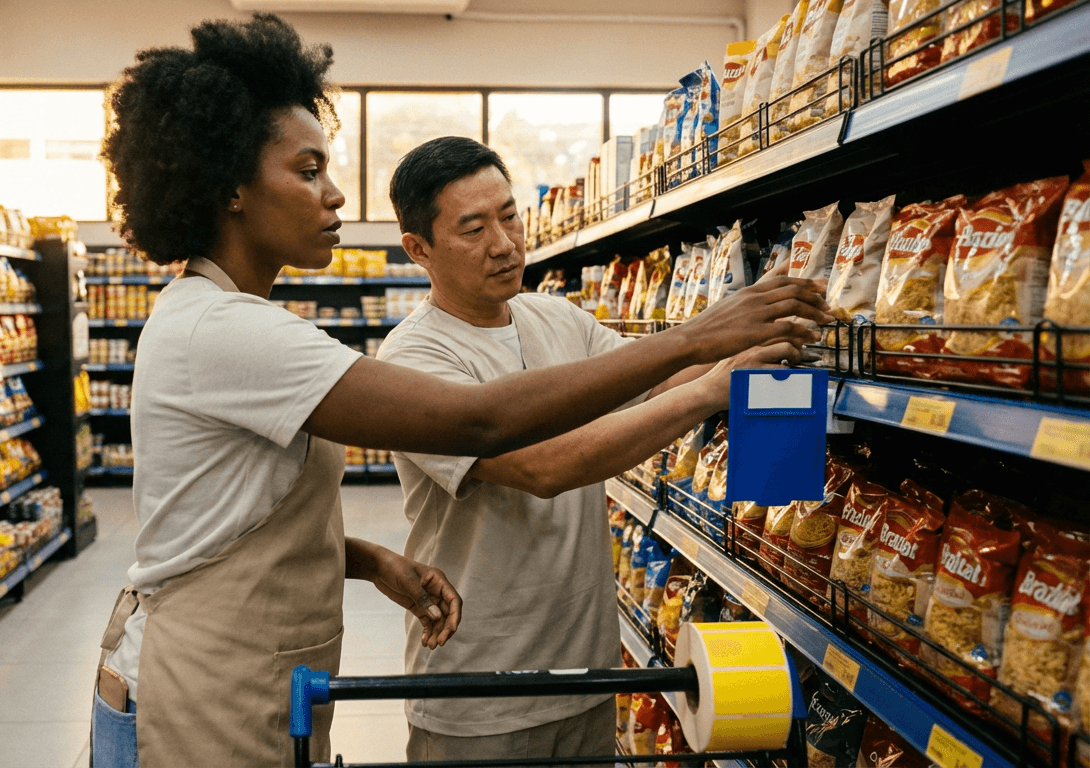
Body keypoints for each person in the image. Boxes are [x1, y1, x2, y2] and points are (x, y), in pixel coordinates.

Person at [94, 13, 831, 768]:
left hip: (261, 674)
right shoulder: (225, 330)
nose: (336, 195)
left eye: (509, 218)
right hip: (203, 684)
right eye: (308, 171)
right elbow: (481, 423)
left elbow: (227, 520)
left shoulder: (230, 320)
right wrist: (696, 344)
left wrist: (371, 559)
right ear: (231, 190)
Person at [377, 136, 810, 764]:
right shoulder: (413, 359)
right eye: (473, 228)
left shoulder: (558, 319)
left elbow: (656, 383)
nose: (504, 243)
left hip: (587, 673)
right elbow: (543, 468)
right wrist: (705, 380)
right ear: (418, 249)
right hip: (479, 689)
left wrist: (743, 355)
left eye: (509, 215)